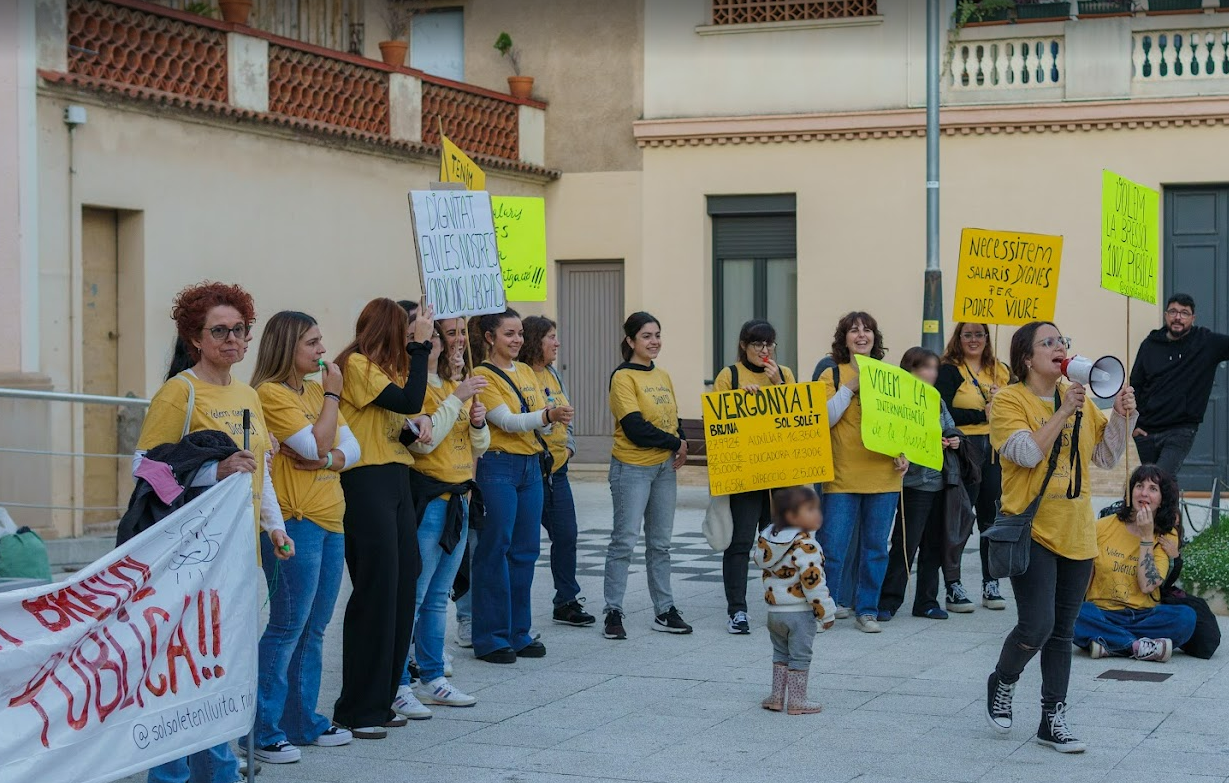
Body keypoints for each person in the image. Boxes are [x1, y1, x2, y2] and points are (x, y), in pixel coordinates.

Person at [135, 282, 294, 783]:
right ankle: (171, 775)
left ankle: (219, 772)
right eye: (219, 331)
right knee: (182, 674)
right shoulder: (178, 391)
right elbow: (146, 470)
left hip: (239, 556)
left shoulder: (247, 393)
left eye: (239, 330)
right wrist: (213, 473)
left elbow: (259, 467)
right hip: (190, 559)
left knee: (222, 671)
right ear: (195, 339)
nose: (231, 339)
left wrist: (274, 525)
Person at [985, 321, 1136, 754]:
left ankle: (1053, 719)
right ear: (1027, 358)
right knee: (1037, 625)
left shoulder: (1083, 402)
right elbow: (1027, 453)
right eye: (1047, 342)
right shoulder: (1009, 401)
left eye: (1062, 341)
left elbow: (1106, 457)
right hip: (1030, 529)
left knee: (1063, 633)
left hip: (1077, 532)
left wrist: (1125, 415)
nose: (1059, 347)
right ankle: (1004, 679)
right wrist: (1064, 411)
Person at [250, 311, 360, 762]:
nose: (322, 351)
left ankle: (302, 720)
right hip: (294, 523)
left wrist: (330, 457)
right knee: (287, 625)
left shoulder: (315, 391)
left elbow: (350, 449)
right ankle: (261, 729)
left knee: (314, 628)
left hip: (331, 518)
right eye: (312, 343)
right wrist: (332, 399)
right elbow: (313, 445)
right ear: (286, 348)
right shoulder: (271, 394)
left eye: (320, 341)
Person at [332, 297, 434, 738]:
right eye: (406, 332)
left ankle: (383, 695)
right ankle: (357, 707)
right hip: (366, 481)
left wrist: (421, 423)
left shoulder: (385, 372)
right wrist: (423, 348)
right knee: (377, 590)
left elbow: (407, 412)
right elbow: (411, 399)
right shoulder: (357, 365)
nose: (411, 338)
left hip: (395, 477)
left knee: (402, 584)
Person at [395, 317, 490, 709]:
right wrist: (458, 399)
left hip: (461, 497)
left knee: (437, 597)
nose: (441, 342)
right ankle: (400, 683)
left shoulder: (453, 385)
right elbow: (422, 445)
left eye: (442, 335)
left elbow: (477, 446)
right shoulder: (414, 389)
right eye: (434, 335)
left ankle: (432, 677)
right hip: (431, 499)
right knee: (415, 595)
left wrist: (479, 423)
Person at [470, 309, 571, 663]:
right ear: (489, 337)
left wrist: (551, 418)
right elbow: (507, 422)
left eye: (519, 334)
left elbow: (537, 424)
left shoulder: (527, 371)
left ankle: (518, 631)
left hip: (531, 467)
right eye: (508, 334)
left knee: (525, 551)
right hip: (497, 465)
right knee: (495, 549)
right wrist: (547, 416)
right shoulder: (482, 375)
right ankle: (489, 637)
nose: (516, 340)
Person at [815, 312, 908, 634]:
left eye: (867, 329)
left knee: (875, 548)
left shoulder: (890, 375)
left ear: (875, 337)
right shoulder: (832, 373)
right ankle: (827, 606)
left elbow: (902, 423)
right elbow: (824, 419)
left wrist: (904, 453)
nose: (861, 335)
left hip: (883, 476)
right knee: (833, 548)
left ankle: (867, 610)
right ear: (844, 339)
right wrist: (851, 387)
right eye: (853, 330)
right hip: (841, 476)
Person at [603, 312, 691, 640]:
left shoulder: (662, 375)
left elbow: (672, 416)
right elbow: (636, 428)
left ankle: (664, 610)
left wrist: (680, 439)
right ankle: (613, 610)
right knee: (624, 541)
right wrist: (676, 442)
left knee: (661, 544)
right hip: (632, 469)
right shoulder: (623, 377)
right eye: (646, 336)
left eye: (657, 335)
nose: (654, 341)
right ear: (630, 341)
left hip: (664, 470)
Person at [713, 318, 797, 634]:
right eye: (757, 345)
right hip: (745, 475)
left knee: (778, 542)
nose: (764, 351)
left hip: (777, 472)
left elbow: (798, 418)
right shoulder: (730, 375)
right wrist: (738, 401)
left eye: (769, 344)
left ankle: (782, 603)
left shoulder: (784, 374)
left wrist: (778, 386)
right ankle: (737, 610)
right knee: (740, 542)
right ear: (744, 346)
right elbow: (717, 422)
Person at [1074, 465, 1196, 661]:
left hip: (1145, 616)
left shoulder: (1167, 534)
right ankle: (1138, 646)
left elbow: (1147, 585)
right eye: (1139, 486)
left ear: (1162, 499)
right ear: (1130, 492)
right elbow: (1084, 579)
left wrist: (1147, 536)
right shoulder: (1102, 526)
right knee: (1073, 614)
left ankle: (1111, 644)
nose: (1144, 493)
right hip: (1103, 613)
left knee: (1186, 618)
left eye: (1153, 489)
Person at [521, 315, 596, 628]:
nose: (557, 343)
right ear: (536, 340)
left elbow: (567, 416)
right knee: (521, 543)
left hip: (557, 471)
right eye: (551, 336)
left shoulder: (552, 374)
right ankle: (512, 609)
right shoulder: (521, 374)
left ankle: (566, 600)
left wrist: (570, 448)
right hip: (528, 469)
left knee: (566, 534)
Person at [878, 348, 962, 622]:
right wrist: (922, 444)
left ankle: (926, 601)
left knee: (934, 546)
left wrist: (953, 439)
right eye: (924, 367)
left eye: (934, 368)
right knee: (905, 544)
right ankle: (889, 600)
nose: (931, 373)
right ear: (909, 370)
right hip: (914, 483)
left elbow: (949, 427)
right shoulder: (899, 399)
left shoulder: (936, 400)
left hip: (940, 482)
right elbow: (894, 437)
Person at [937, 322, 1012, 612]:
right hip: (964, 450)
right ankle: (953, 585)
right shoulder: (949, 369)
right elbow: (943, 408)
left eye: (979, 334)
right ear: (958, 338)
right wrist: (981, 413)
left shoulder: (1000, 370)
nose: (973, 339)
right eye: (967, 334)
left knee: (990, 518)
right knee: (959, 518)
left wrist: (1000, 404)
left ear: (987, 337)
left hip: (995, 451)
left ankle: (990, 583)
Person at [754, 485, 836, 715]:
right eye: (810, 510)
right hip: (799, 612)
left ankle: (776, 697)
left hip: (774, 612)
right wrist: (826, 613)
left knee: (780, 654)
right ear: (791, 516)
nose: (817, 515)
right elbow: (814, 583)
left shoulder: (767, 541)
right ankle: (798, 700)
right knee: (800, 656)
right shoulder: (806, 546)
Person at [1130, 293, 1229, 476]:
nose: (1178, 317)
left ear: (1193, 318)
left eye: (1184, 313)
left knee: (1158, 479)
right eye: (1173, 311)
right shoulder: (1150, 344)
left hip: (1180, 430)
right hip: (1146, 432)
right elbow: (1135, 384)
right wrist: (1135, 425)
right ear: (1166, 314)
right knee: (1163, 486)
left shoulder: (1206, 342)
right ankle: (1171, 506)